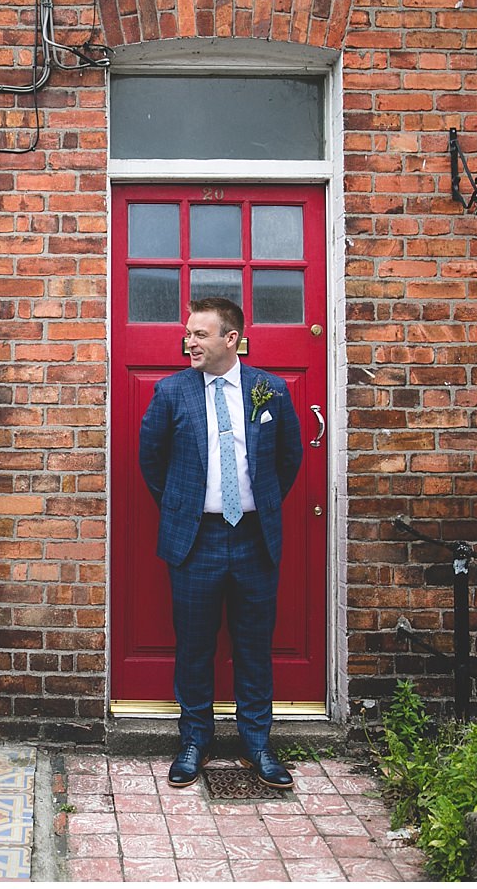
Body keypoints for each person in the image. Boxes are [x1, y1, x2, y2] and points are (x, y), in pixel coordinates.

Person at [138, 296, 304, 789]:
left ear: (230, 339)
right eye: (187, 333)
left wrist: (262, 505)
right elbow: (152, 462)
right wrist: (184, 507)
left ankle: (257, 744)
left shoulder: (269, 391)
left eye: (199, 334)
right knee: (194, 646)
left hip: (254, 538)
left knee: (254, 645)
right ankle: (195, 741)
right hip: (196, 538)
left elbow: (289, 459)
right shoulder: (171, 392)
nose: (188, 341)